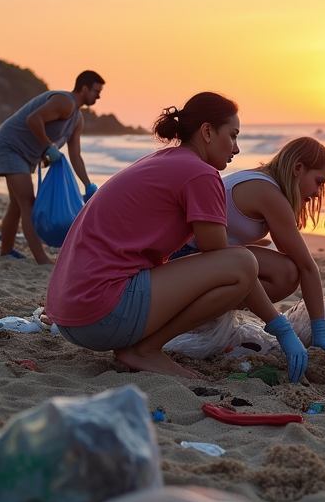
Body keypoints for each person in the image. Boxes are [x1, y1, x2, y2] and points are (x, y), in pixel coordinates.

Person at [45, 93, 260, 379]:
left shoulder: (164, 160)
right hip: (101, 315)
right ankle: (147, 349)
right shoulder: (200, 174)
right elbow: (217, 251)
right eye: (232, 136)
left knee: (241, 260)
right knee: (243, 264)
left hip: (71, 314)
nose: (236, 148)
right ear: (207, 131)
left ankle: (142, 346)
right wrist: (278, 325)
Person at [219, 136, 325, 381]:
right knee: (287, 273)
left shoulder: (260, 180)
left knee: (285, 269)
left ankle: (213, 309)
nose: (318, 193)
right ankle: (211, 309)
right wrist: (320, 335)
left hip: (201, 259)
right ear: (298, 168)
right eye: (318, 182)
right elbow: (307, 266)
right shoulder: (268, 193)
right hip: (188, 261)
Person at [0, 70, 103, 264]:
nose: (99, 96)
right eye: (96, 91)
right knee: (28, 203)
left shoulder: (77, 118)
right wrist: (48, 145)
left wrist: (88, 184)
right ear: (84, 88)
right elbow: (33, 119)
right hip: (10, 147)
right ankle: (41, 259)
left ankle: (6, 251)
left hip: (27, 155)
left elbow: (75, 156)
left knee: (17, 205)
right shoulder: (65, 102)